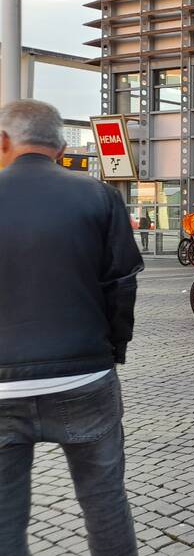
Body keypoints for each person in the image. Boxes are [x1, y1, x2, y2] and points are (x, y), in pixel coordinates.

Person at [0, 100, 143, 555]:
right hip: (84, 375)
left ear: (3, 141)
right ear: (61, 147)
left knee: (3, 519)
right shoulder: (98, 195)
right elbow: (121, 285)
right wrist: (110, 352)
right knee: (105, 503)